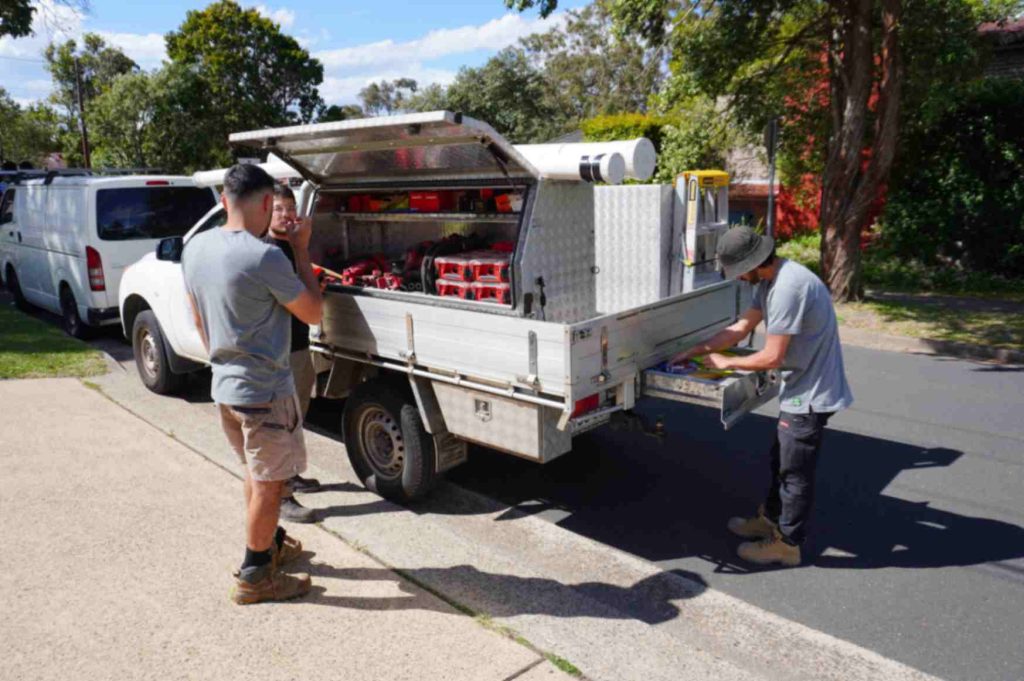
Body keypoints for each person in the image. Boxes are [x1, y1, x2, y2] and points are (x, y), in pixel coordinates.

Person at [183, 163, 323, 604]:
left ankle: (271, 543)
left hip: (225, 386)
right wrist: (301, 249)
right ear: (266, 202)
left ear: (225, 199)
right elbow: (313, 313)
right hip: (264, 392)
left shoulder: (196, 247)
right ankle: (255, 575)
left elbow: (198, 317)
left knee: (255, 472)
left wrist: (225, 360)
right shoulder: (264, 256)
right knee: (269, 483)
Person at [672, 226, 853, 567]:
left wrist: (726, 362)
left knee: (794, 472)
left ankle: (787, 544)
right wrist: (698, 350)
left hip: (811, 393)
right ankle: (770, 519)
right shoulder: (769, 281)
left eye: (739, 272)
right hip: (799, 385)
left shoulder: (787, 288)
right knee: (780, 459)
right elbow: (740, 329)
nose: (739, 278)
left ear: (754, 264)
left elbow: (772, 356)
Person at [266, 183, 322, 524]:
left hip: (300, 345)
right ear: (265, 212)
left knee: (296, 418)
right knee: (281, 425)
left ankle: (292, 476)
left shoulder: (291, 246)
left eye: (289, 208)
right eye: (278, 209)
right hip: (279, 352)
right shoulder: (268, 251)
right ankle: (283, 496)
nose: (286, 215)